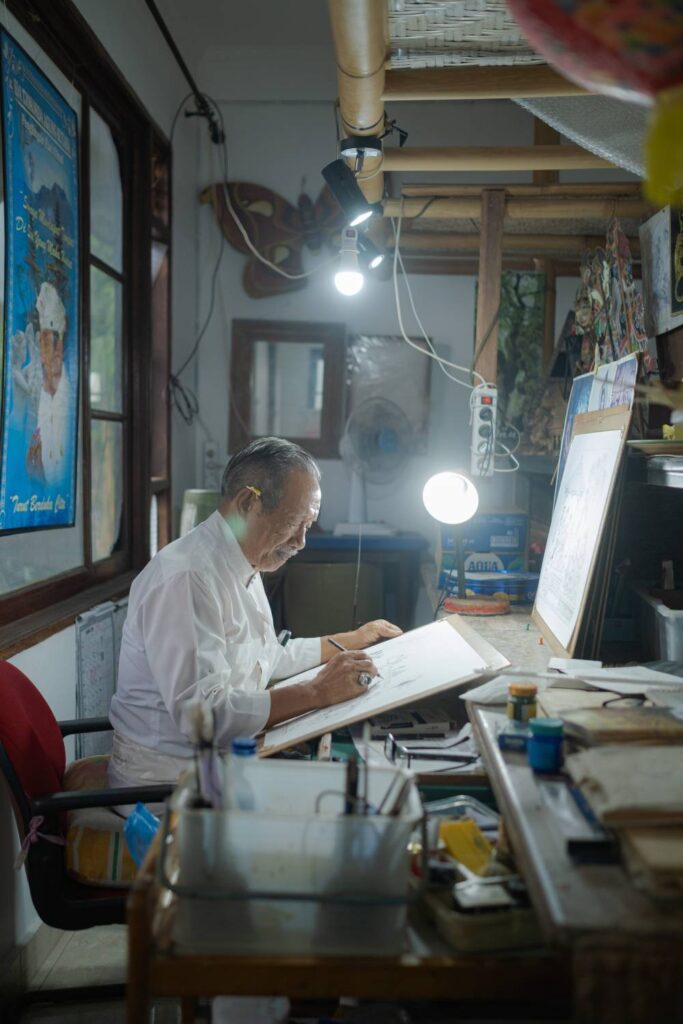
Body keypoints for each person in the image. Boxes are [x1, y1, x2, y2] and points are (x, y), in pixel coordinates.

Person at [108, 437, 401, 792]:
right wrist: (316, 692)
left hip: (220, 762)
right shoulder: (188, 578)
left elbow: (266, 658)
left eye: (308, 525)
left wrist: (348, 641)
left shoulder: (242, 559)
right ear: (249, 503)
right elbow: (202, 716)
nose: (301, 541)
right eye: (296, 522)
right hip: (170, 783)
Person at [26, 281, 72, 486]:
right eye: (41, 343)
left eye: (47, 344)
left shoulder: (67, 397)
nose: (43, 357)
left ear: (59, 349)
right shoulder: (41, 389)